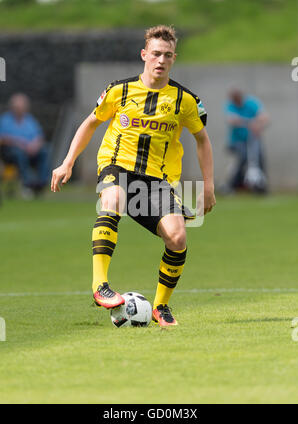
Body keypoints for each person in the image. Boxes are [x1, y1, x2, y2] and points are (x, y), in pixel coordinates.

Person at [51, 25, 216, 327]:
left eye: (167, 55)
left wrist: (208, 187)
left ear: (174, 58)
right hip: (118, 166)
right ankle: (99, 286)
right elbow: (90, 123)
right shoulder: (120, 90)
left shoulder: (185, 101)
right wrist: (67, 162)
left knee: (178, 238)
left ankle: (161, 307)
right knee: (112, 198)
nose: (160, 60)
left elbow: (202, 140)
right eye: (155, 54)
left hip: (158, 181)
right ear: (144, 55)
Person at [0, 93, 49, 197]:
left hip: (30, 151)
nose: (19, 109)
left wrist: (34, 145)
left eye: (22, 107)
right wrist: (19, 143)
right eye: (17, 107)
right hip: (10, 153)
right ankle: (27, 185)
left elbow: (39, 136)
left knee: (45, 151)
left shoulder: (30, 120)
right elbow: (2, 138)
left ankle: (41, 184)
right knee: (19, 154)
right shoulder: (5, 120)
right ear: (12, 107)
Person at [224, 88, 269, 193]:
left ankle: (262, 187)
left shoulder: (251, 103)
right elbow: (231, 119)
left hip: (253, 140)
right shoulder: (231, 105)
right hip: (237, 141)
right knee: (243, 157)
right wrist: (248, 123)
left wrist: (258, 124)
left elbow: (264, 117)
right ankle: (234, 184)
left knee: (260, 157)